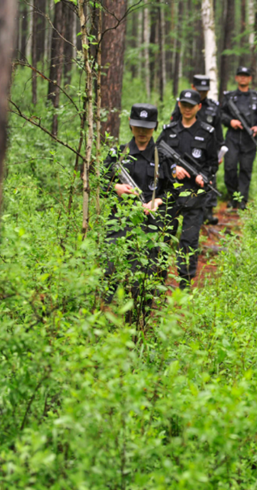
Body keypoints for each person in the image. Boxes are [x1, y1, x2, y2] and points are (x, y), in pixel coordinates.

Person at [102, 103, 175, 322]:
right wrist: (116, 188)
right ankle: (97, 323)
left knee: (141, 281)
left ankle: (137, 329)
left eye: (147, 127)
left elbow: (174, 192)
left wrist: (158, 202)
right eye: (137, 126)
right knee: (108, 273)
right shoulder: (117, 154)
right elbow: (98, 181)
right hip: (119, 225)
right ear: (130, 125)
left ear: (154, 127)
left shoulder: (163, 156)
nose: (142, 132)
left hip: (149, 228)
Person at [157, 89, 218, 289]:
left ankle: (184, 283)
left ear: (198, 107)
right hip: (170, 194)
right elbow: (157, 156)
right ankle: (158, 281)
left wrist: (204, 176)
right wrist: (174, 168)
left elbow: (212, 163)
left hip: (195, 196)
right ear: (179, 106)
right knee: (164, 237)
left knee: (189, 240)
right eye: (184, 105)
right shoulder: (168, 131)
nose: (187, 109)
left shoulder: (207, 133)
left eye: (191, 106)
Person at [170, 74, 224, 225]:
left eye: (205, 91)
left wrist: (219, 152)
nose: (202, 93)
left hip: (206, 150)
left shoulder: (213, 106)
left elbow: (218, 132)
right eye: (199, 90)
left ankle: (206, 211)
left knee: (208, 179)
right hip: (183, 152)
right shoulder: (180, 108)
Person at [220, 66, 257, 210]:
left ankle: (243, 200)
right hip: (232, 138)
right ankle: (233, 198)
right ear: (236, 78)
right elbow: (220, 114)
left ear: (250, 78)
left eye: (246, 75)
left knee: (246, 169)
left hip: (249, 139)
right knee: (230, 167)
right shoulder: (229, 97)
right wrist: (230, 121)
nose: (243, 78)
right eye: (240, 75)